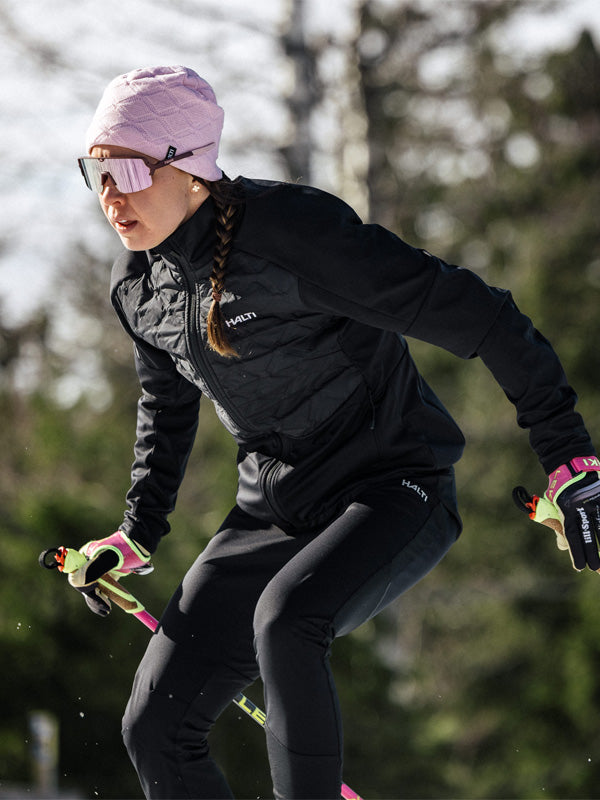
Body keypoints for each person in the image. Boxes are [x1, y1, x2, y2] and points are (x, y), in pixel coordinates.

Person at [68, 65, 600, 800]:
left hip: (392, 485)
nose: (109, 195)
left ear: (189, 166)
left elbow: (481, 316)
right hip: (274, 508)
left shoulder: (294, 236)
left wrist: (571, 457)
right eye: (94, 171)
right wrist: (136, 531)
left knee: (286, 623)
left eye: (126, 168)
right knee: (153, 728)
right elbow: (164, 407)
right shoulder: (140, 288)